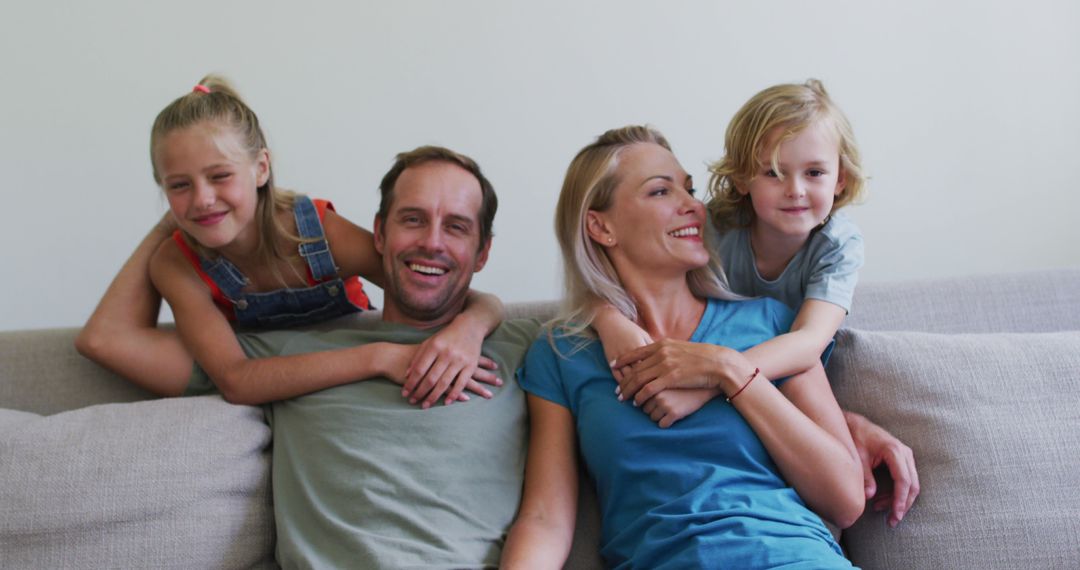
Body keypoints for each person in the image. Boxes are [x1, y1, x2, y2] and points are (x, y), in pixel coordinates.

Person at [502, 126, 864, 568]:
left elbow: (845, 500)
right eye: (660, 191)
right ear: (601, 226)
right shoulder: (562, 353)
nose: (692, 204)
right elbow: (544, 519)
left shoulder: (770, 325)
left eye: (689, 189)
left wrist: (727, 370)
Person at [190, 145, 540, 567]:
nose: (431, 242)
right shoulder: (289, 356)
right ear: (379, 234)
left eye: (456, 227)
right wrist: (182, 218)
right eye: (413, 219)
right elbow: (107, 341)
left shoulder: (527, 348)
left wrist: (479, 319)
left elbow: (618, 318)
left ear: (482, 252)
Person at [593, 80, 918, 527]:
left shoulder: (837, 244)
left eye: (815, 173)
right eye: (773, 172)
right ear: (742, 178)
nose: (796, 190)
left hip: (786, 381)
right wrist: (608, 317)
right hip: (741, 389)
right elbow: (617, 270)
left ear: (841, 178)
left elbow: (806, 341)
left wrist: (712, 379)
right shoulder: (715, 228)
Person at [76, 75, 503, 408]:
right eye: (179, 185)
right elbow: (236, 379)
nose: (203, 199)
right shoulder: (175, 262)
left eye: (220, 176)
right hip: (274, 373)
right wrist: (168, 224)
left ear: (261, 168)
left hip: (346, 363)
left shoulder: (312, 232)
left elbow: (441, 291)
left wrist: (469, 328)